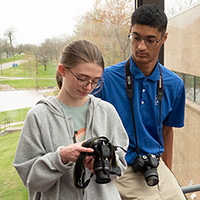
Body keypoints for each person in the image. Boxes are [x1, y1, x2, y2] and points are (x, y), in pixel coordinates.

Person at [13, 40, 128, 200]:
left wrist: (102, 164)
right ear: (62, 71)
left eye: (95, 81)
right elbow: (30, 180)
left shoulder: (107, 112)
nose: (88, 87)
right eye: (82, 78)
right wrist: (60, 157)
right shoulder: (39, 116)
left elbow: (121, 164)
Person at [93, 4, 186, 200]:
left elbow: (167, 130)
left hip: (154, 166)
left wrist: (167, 172)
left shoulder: (174, 85)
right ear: (130, 32)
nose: (141, 46)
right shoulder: (106, 79)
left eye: (150, 40)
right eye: (136, 38)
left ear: (163, 39)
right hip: (120, 166)